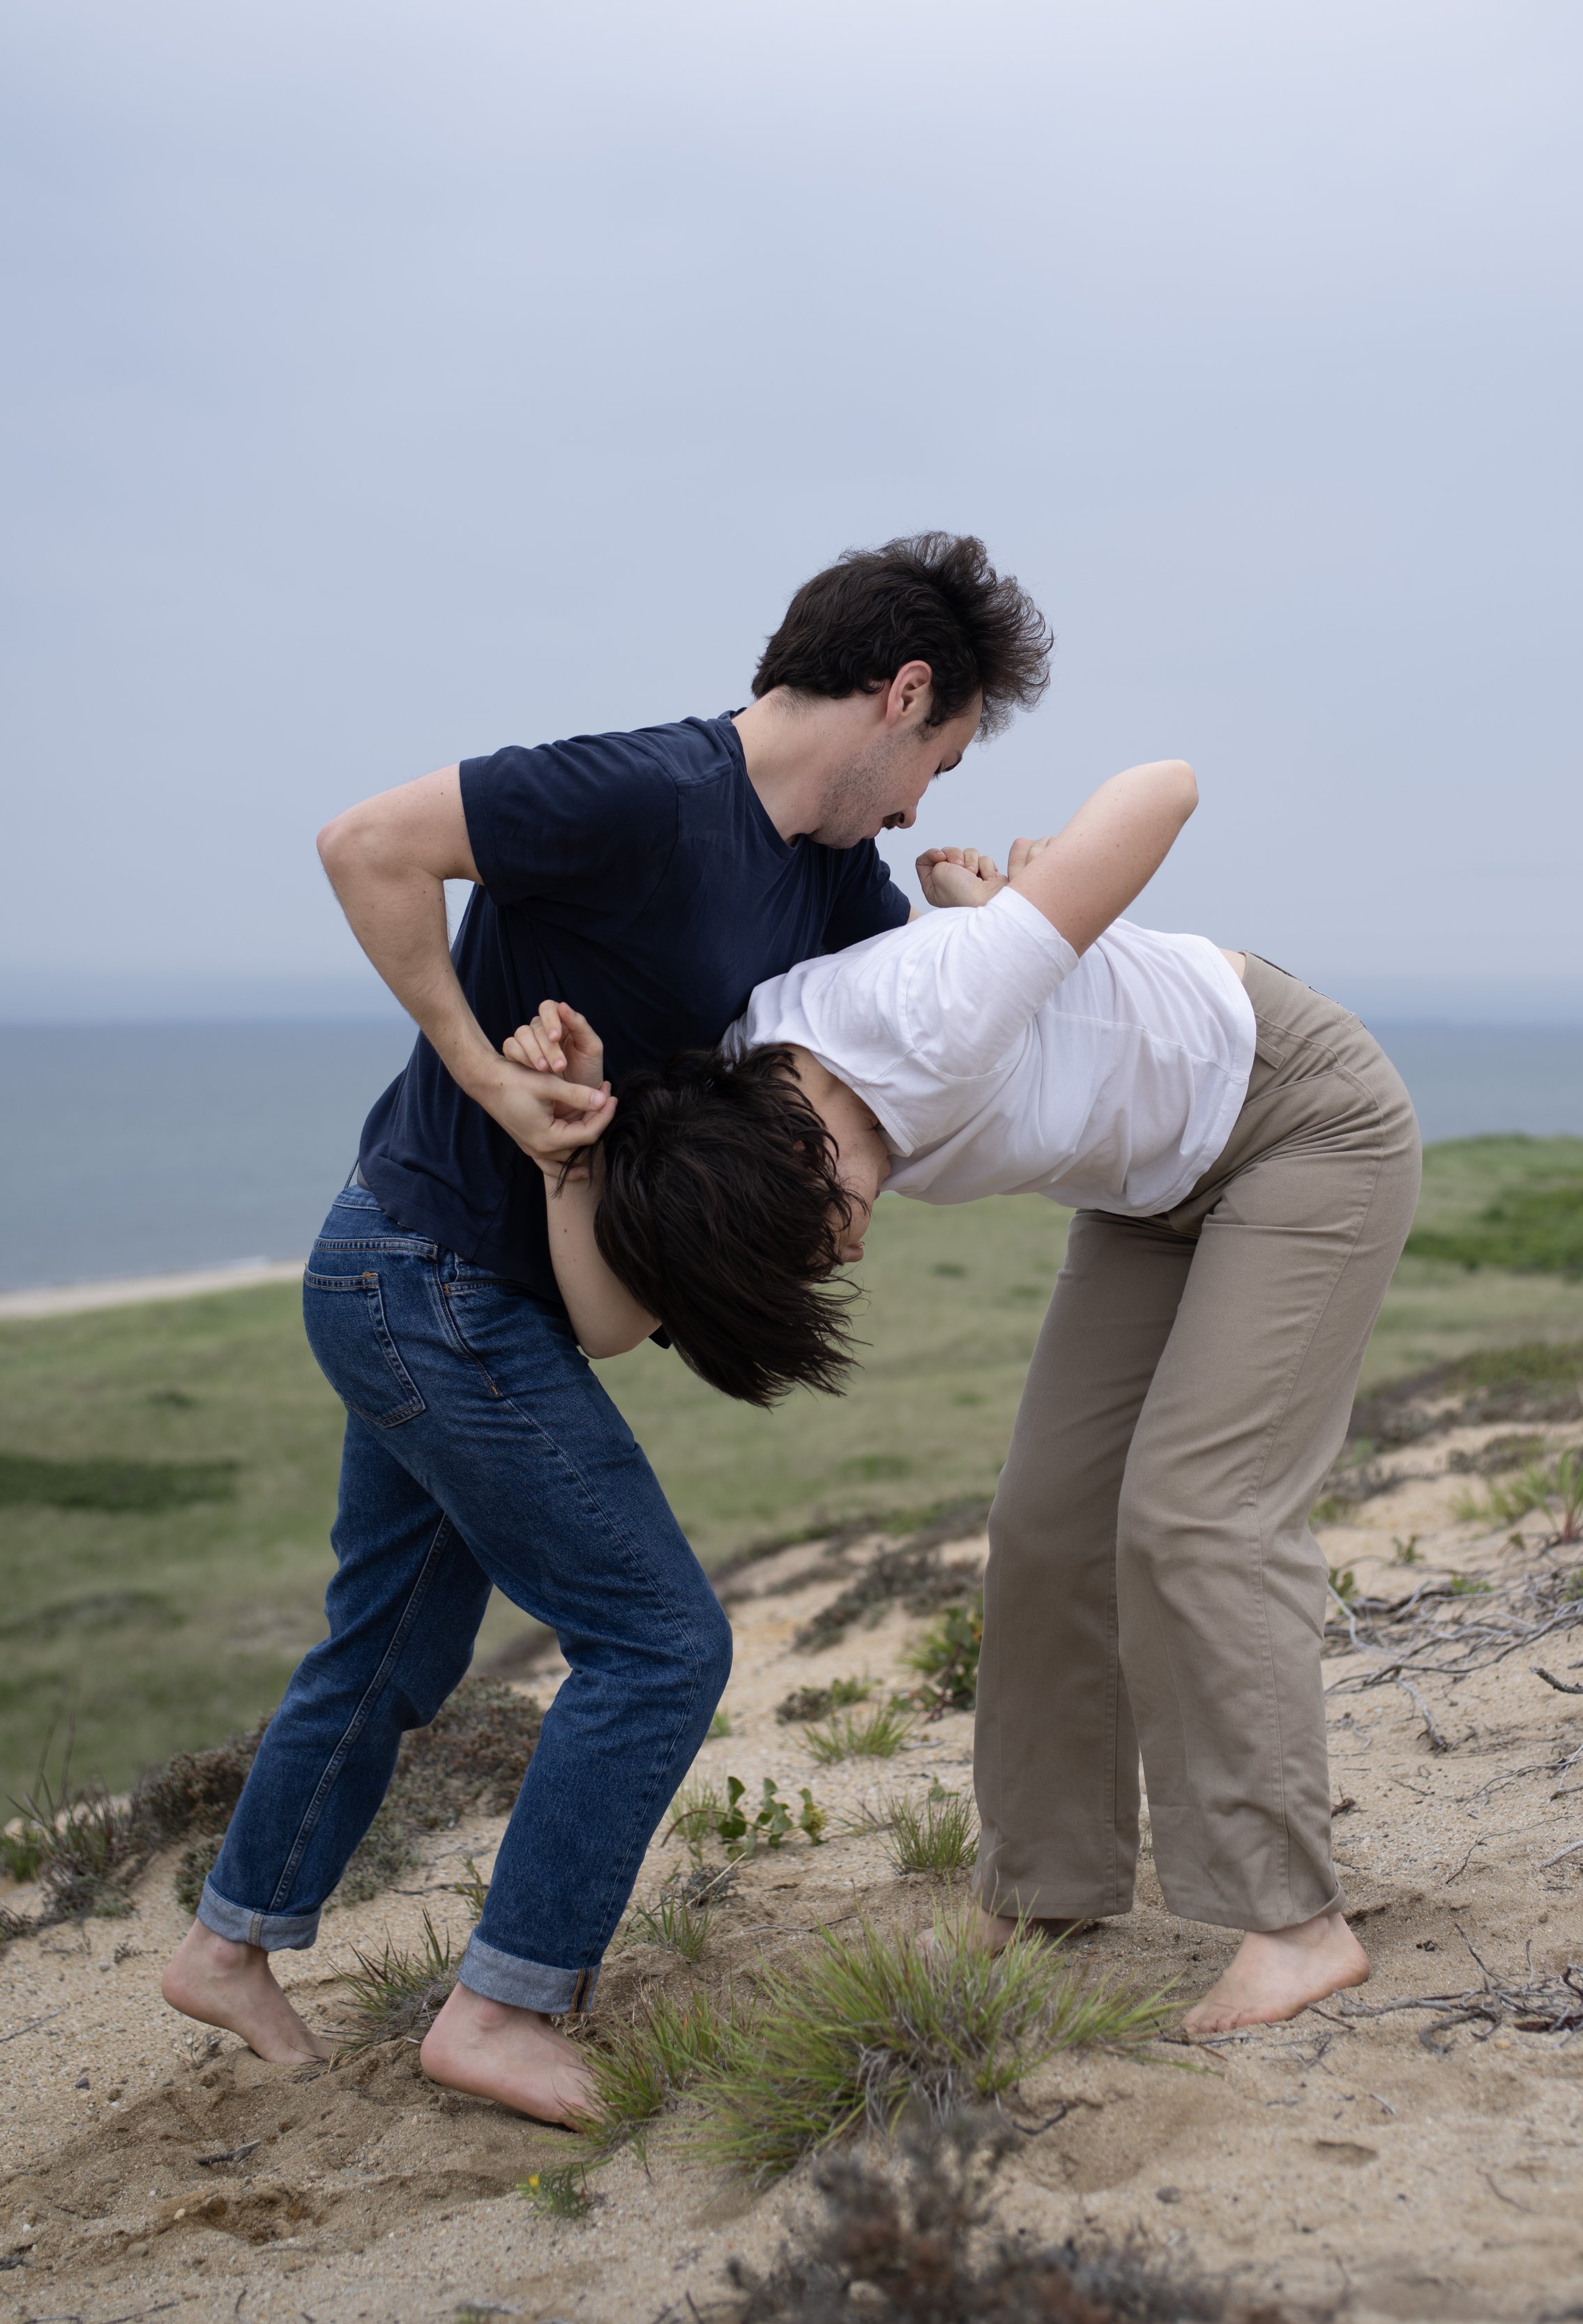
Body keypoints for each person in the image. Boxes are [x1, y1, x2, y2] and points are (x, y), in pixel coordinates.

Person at [160, 534, 1052, 2120]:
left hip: (487, 1293)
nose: (922, 799)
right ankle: (502, 2006)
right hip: (417, 1270)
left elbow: (903, 1027)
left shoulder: (830, 878)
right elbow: (367, 842)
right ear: (899, 695)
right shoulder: (640, 788)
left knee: (394, 1635)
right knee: (659, 1641)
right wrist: (486, 1070)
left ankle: (230, 1944)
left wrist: (975, 911)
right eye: (939, 756)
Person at [507, 754, 1421, 2037]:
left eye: (821, 1226)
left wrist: (1041, 906)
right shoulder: (733, 1104)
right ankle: (1045, 1886)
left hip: (1302, 1125)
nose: (850, 1252)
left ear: (804, 1138)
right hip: (1152, 1188)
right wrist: (565, 1151)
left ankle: (1296, 1924)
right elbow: (609, 1326)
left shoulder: (934, 1009)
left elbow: (1164, 786)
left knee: (1196, 1514)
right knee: (1047, 1527)